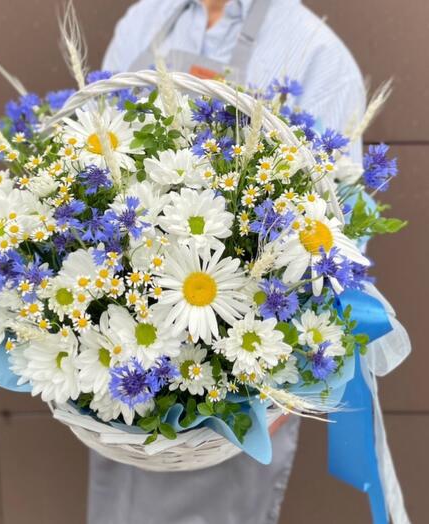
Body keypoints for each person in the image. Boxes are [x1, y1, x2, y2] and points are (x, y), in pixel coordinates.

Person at [88, 1, 366, 523]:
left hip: (238, 372)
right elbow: (91, 147)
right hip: (126, 359)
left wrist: (289, 381)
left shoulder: (316, 54)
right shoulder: (144, 20)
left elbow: (338, 240)